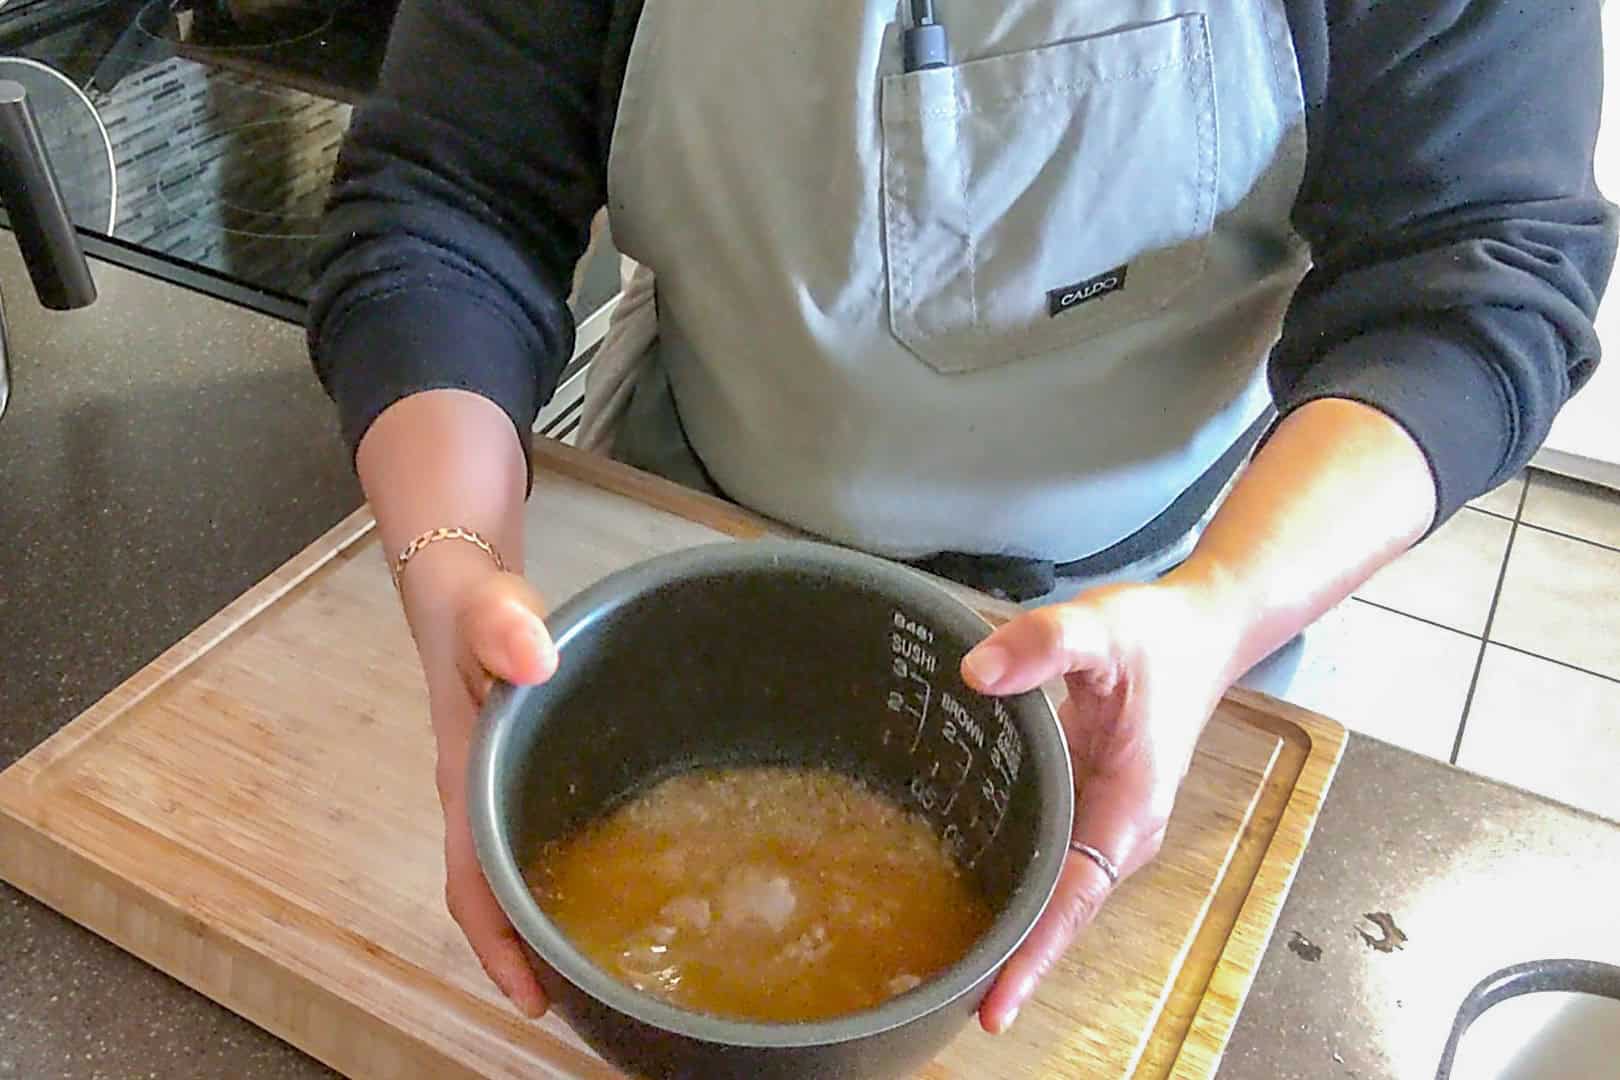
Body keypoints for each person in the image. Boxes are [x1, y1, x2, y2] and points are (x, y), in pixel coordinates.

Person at [308, 0, 1616, 1035]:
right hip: (683, 534)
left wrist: (1219, 612)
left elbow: (1476, 279)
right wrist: (450, 555)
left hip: (1170, 615)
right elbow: (450, 192)